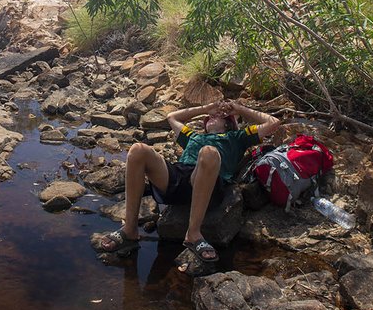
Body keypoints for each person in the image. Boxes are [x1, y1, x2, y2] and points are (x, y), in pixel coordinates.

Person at [97, 98, 282, 263]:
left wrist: (239, 109)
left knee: (208, 152)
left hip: (208, 181)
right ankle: (130, 229)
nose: (210, 118)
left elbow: (273, 123)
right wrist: (205, 108)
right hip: (179, 176)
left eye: (217, 116)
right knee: (138, 149)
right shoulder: (194, 136)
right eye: (208, 118)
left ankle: (193, 234)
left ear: (228, 124)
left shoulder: (237, 137)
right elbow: (172, 117)